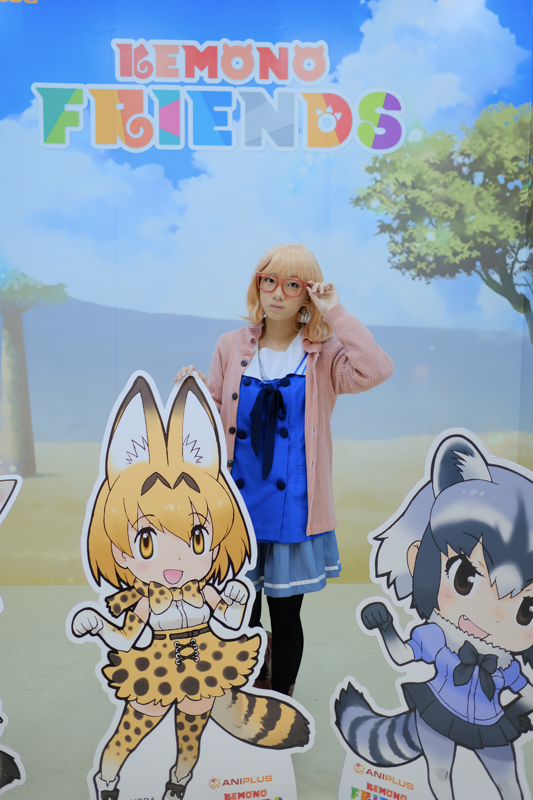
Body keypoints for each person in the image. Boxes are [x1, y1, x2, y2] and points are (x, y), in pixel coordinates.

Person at [70, 375, 310, 800]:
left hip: (204, 666)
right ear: (122, 551)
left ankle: (178, 787)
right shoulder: (147, 598)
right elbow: (125, 636)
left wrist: (237, 600)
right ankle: (107, 783)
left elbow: (233, 623)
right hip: (156, 670)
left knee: (189, 741)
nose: (176, 560)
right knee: (129, 733)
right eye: (147, 542)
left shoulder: (204, 589)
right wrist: (97, 624)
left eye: (197, 538)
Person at [176, 243, 393, 696]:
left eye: (293, 285)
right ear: (257, 284)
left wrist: (336, 313)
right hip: (237, 503)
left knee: (286, 612)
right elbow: (213, 416)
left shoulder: (324, 353)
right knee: (240, 609)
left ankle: (281, 699)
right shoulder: (230, 345)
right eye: (269, 281)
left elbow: (376, 369)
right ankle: (248, 690)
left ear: (307, 293)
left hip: (294, 506)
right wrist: (192, 390)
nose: (278, 293)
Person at [335, 432, 533, 800]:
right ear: (419, 560)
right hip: (437, 713)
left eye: (527, 608)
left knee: (510, 785)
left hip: (492, 724)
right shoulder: (438, 636)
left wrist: (515, 714)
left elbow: (529, 694)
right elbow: (402, 657)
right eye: (465, 578)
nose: (491, 615)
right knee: (440, 776)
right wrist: (387, 627)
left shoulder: (504, 660)